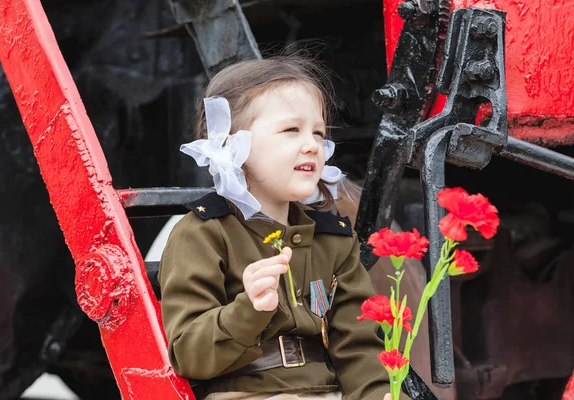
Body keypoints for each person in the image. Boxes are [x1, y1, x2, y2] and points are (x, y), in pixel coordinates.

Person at [158, 53, 398, 400]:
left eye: (318, 132)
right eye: (291, 130)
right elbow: (189, 355)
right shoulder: (203, 234)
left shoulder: (334, 241)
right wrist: (249, 309)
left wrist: (382, 395)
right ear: (231, 145)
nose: (312, 144)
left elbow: (358, 347)